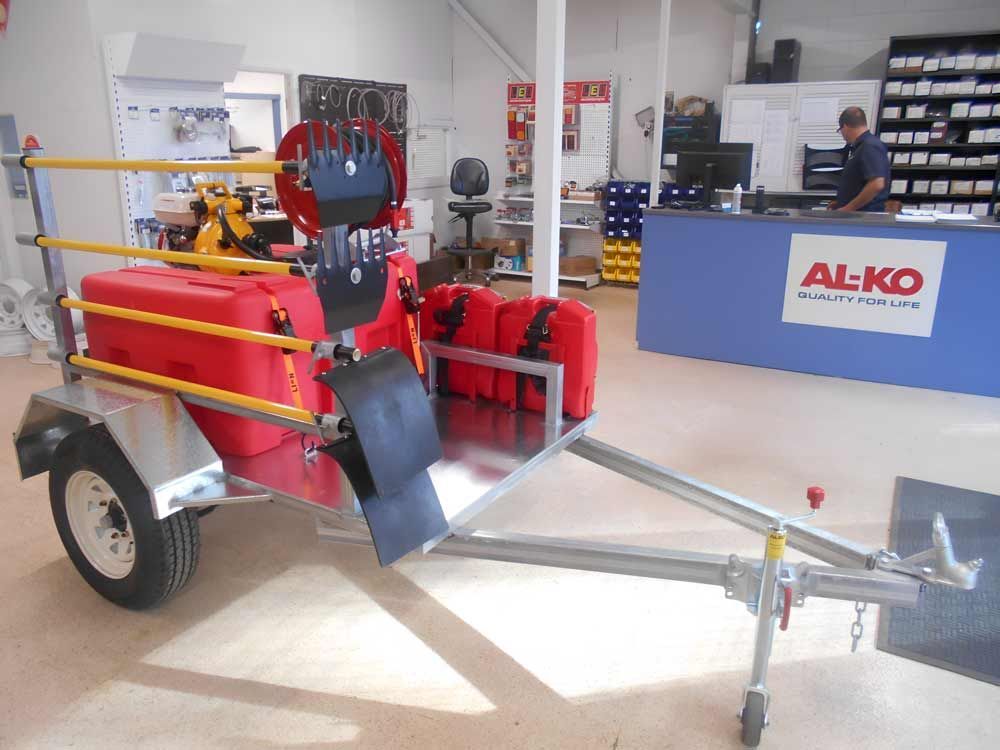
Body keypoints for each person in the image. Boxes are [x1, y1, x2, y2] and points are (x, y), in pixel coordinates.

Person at [827, 107, 889, 212]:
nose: (842, 135)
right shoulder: (860, 147)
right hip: (856, 214)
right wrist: (841, 203)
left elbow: (877, 184)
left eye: (840, 131)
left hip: (864, 216)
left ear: (845, 127)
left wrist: (848, 208)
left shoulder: (869, 146)